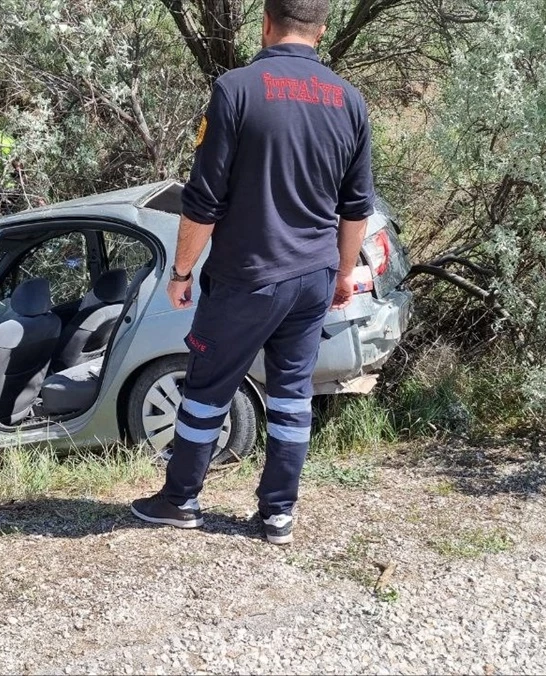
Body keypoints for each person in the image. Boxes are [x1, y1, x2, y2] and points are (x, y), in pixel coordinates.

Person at [130, 0, 374, 545]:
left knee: (207, 389)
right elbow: (356, 207)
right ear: (323, 30)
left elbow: (204, 199)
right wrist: (339, 276)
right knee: (292, 395)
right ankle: (278, 514)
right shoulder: (350, 101)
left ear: (265, 23)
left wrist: (182, 269)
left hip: (247, 276)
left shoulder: (237, 88)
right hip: (313, 276)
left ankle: (180, 499)